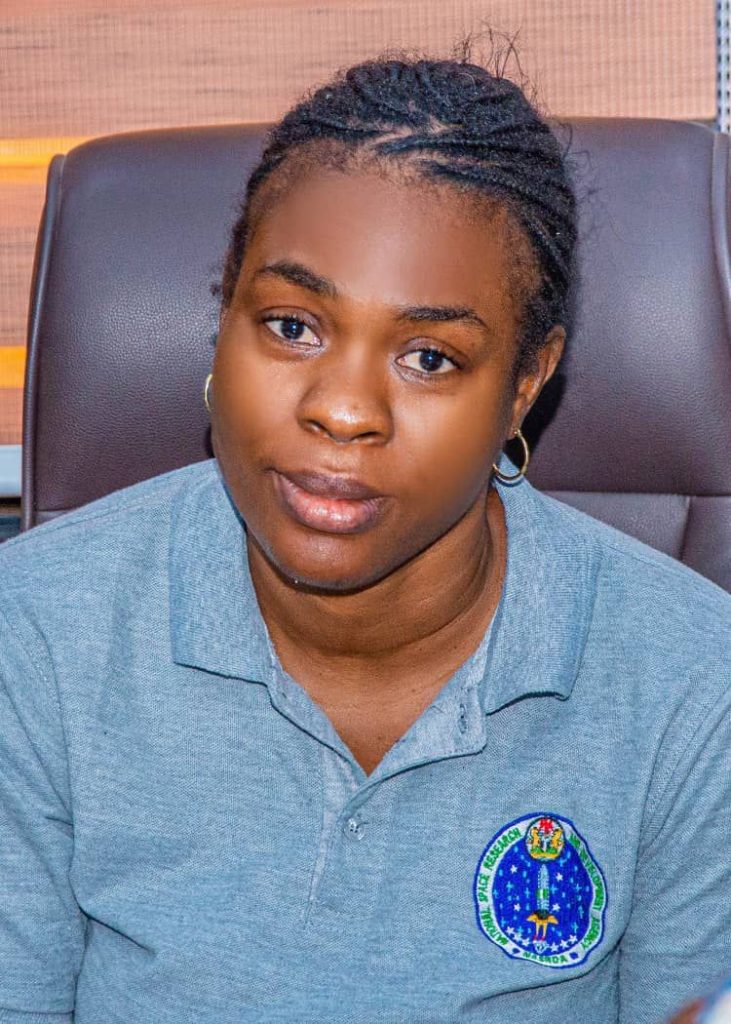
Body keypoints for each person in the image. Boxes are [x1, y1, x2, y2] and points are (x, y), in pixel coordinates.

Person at [1, 49, 730, 1024]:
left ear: (523, 384)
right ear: (223, 318)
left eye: (428, 357)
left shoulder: (693, 685)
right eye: (291, 326)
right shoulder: (33, 638)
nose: (342, 410)